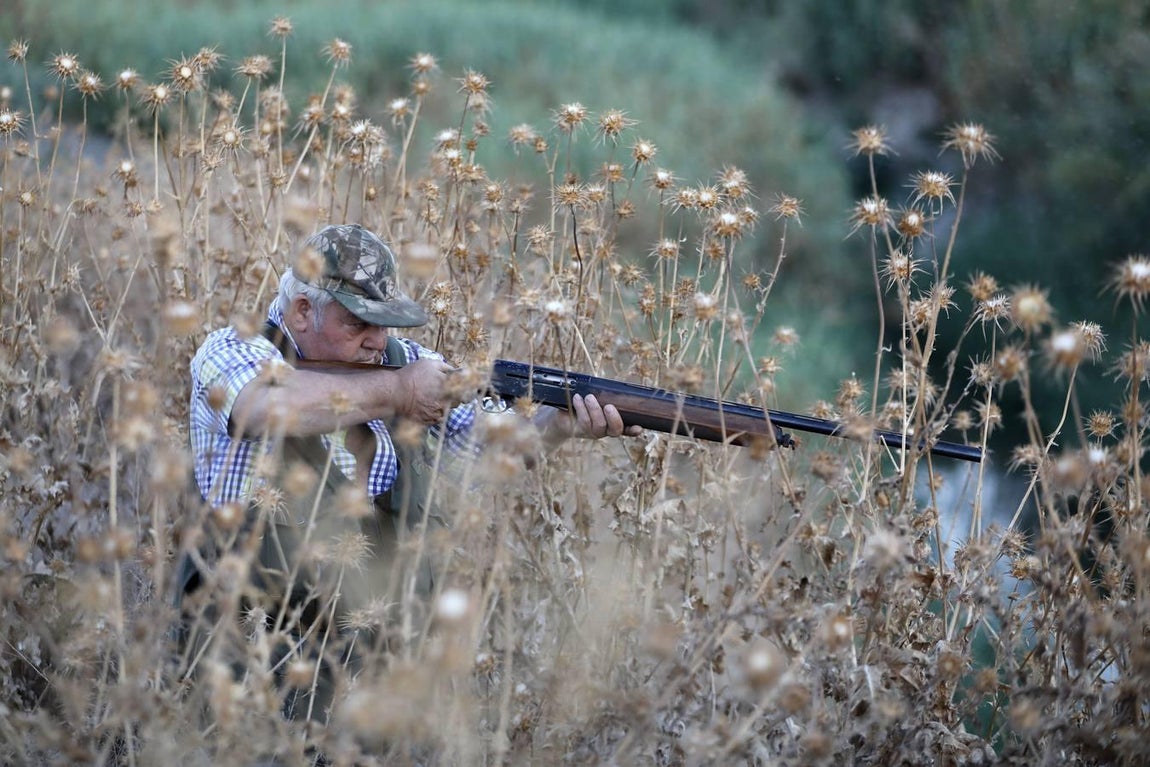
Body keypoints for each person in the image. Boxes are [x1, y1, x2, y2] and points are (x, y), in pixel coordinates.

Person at [179, 224, 637, 720]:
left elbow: (491, 452)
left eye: (386, 323)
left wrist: (558, 424)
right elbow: (260, 408)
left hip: (373, 695)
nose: (378, 341)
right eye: (359, 323)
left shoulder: (408, 364)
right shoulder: (233, 352)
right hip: (248, 690)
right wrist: (398, 392)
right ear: (303, 311)